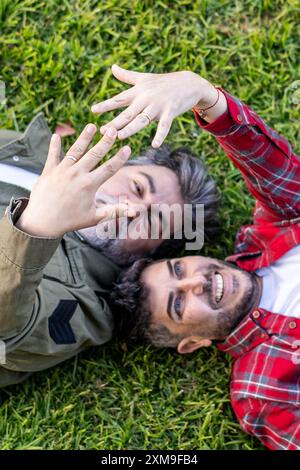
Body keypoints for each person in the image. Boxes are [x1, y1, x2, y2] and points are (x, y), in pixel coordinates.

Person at [106, 66, 300, 450]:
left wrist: (204, 96)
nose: (197, 281)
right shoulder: (263, 390)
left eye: (179, 269)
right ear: (192, 343)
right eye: (179, 303)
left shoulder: (272, 231)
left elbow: (273, 171)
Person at [0, 75, 219, 387]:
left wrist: (37, 227)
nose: (133, 207)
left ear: (145, 255)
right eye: (138, 187)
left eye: (155, 219)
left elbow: (7, 333)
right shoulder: (35, 154)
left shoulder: (84, 306)